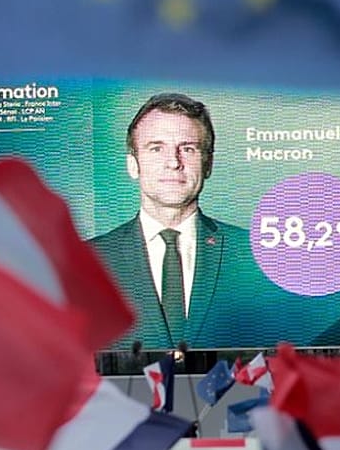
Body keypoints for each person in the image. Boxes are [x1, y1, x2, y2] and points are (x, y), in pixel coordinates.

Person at [89, 93, 253, 349]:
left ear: (207, 163)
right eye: (156, 148)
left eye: (187, 148)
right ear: (133, 165)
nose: (173, 162)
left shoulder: (253, 255)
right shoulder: (85, 262)